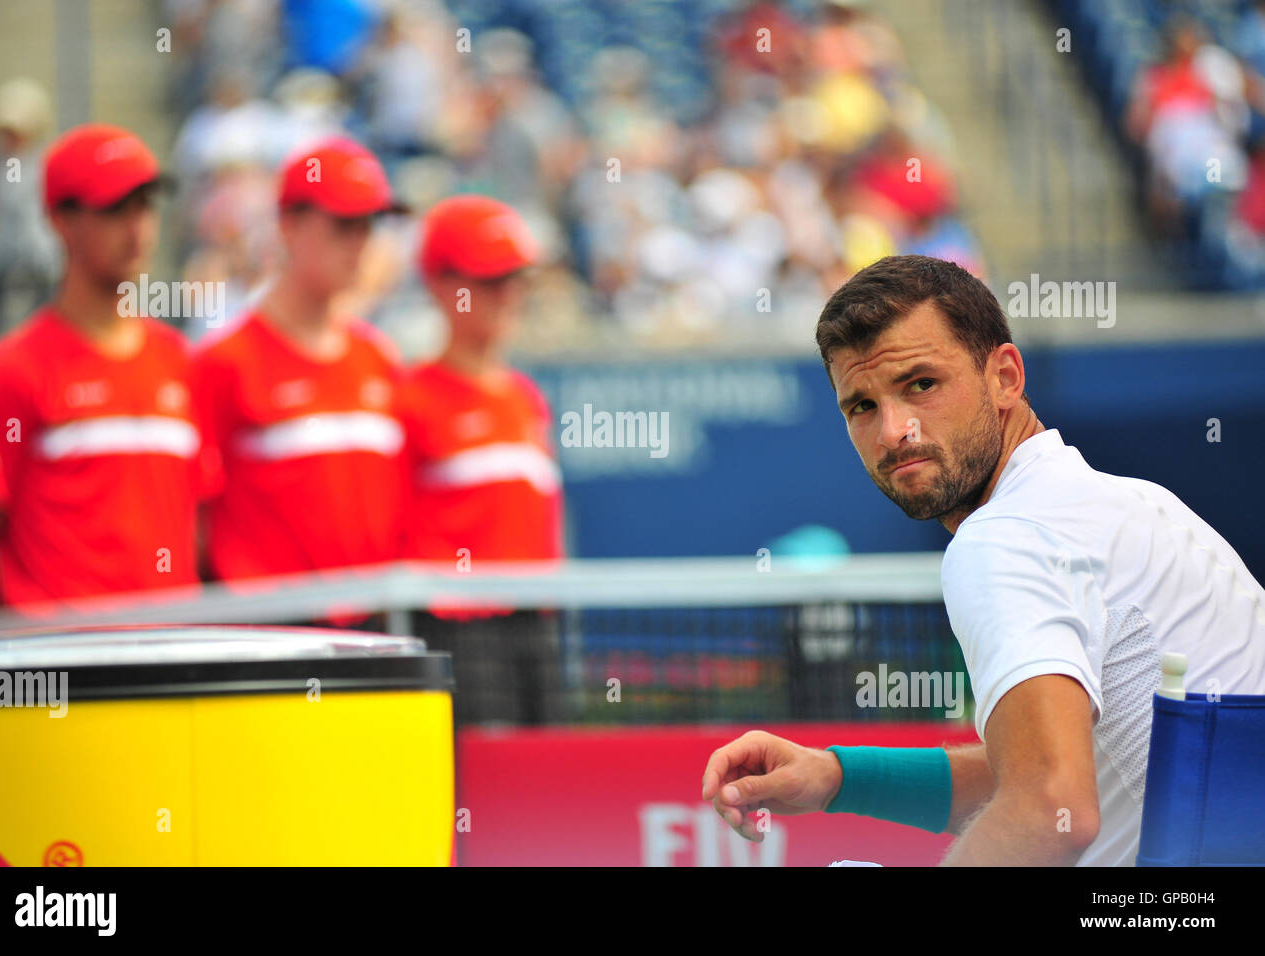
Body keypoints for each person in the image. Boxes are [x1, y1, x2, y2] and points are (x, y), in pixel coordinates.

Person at [702, 255, 1265, 865]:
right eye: (861, 405)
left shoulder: (1002, 540)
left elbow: (1050, 809)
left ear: (1005, 376)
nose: (894, 431)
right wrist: (838, 776)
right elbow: (1050, 774)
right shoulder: (1144, 505)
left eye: (921, 383)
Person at [0, 124, 199, 607]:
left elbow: (199, 530)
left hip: (174, 661)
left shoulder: (180, 361)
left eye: (145, 206)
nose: (137, 228)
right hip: (64, 670)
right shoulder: (14, 370)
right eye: (115, 209)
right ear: (61, 220)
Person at [190, 136, 409, 628]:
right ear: (289, 227)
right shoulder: (225, 363)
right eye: (344, 225)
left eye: (369, 225)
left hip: (373, 637)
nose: (361, 243)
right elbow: (191, 523)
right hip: (269, 644)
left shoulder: (378, 359)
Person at [402, 194, 565, 725]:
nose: (508, 296)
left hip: (536, 632)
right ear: (440, 284)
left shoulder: (526, 398)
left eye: (517, 280)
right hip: (456, 637)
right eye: (490, 281)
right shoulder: (408, 399)